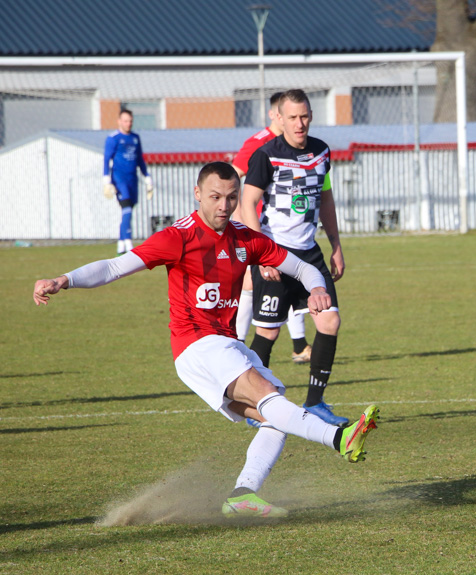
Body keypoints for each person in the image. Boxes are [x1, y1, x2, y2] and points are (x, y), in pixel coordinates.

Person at [34, 161, 379, 518]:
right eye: (215, 197)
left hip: (221, 344)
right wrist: (64, 280)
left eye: (231, 197)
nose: (224, 206)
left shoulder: (245, 238)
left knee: (276, 414)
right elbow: (114, 266)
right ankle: (339, 438)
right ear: (198, 194)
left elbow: (304, 268)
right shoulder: (177, 237)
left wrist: (319, 288)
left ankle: (243, 494)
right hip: (197, 343)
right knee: (269, 398)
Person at [241, 89, 348, 427]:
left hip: (310, 254)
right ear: (280, 119)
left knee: (329, 321)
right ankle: (254, 404)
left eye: (304, 116)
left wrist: (336, 244)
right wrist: (260, 257)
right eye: (292, 118)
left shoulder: (321, 152)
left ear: (311, 115)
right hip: (274, 253)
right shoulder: (266, 155)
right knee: (268, 333)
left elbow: (326, 199)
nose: (299, 124)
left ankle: (315, 403)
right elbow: (247, 205)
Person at [232, 91, 311, 364]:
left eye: (301, 115)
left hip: (286, 230)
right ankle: (237, 344)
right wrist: (237, 218)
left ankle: (299, 345)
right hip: (256, 227)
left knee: (288, 281)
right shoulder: (259, 143)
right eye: (286, 114)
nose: (294, 121)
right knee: (251, 282)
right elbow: (232, 175)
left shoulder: (299, 147)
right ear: (275, 114)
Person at [103, 109, 154, 255]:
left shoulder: (135, 138)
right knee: (127, 210)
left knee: (128, 210)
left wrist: (147, 177)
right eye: (125, 121)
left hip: (133, 179)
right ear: (119, 121)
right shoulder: (113, 138)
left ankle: (121, 243)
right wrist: (106, 180)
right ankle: (129, 243)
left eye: (130, 121)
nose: (128, 123)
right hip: (119, 179)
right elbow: (107, 159)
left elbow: (140, 160)